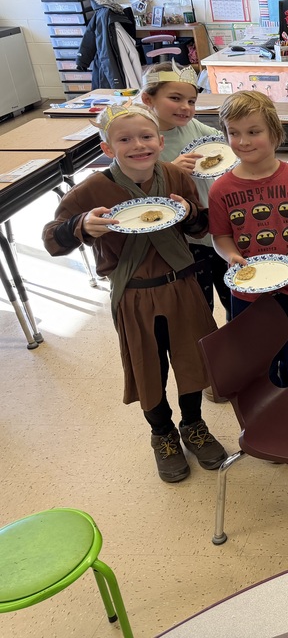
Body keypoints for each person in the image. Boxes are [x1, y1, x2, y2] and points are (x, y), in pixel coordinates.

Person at [42, 105, 227, 483]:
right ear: (108, 148)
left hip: (182, 285)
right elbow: (51, 238)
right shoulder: (92, 189)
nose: (138, 145)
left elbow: (200, 226)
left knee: (192, 361)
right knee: (148, 366)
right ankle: (162, 434)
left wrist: (190, 209)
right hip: (135, 294)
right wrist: (81, 226)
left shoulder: (175, 175)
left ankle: (193, 424)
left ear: (160, 142)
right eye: (125, 139)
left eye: (146, 137)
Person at [208, 91, 288, 388]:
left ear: (274, 133)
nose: (243, 141)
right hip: (249, 294)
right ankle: (266, 410)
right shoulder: (221, 189)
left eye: (253, 132)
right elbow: (221, 236)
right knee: (258, 361)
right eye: (233, 133)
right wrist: (230, 256)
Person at [140, 60, 231, 315]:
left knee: (233, 298)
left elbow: (224, 145)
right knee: (199, 308)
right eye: (176, 98)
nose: (185, 107)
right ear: (148, 99)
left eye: (191, 101)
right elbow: (137, 192)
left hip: (213, 227)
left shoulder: (191, 126)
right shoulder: (140, 139)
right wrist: (171, 169)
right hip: (183, 238)